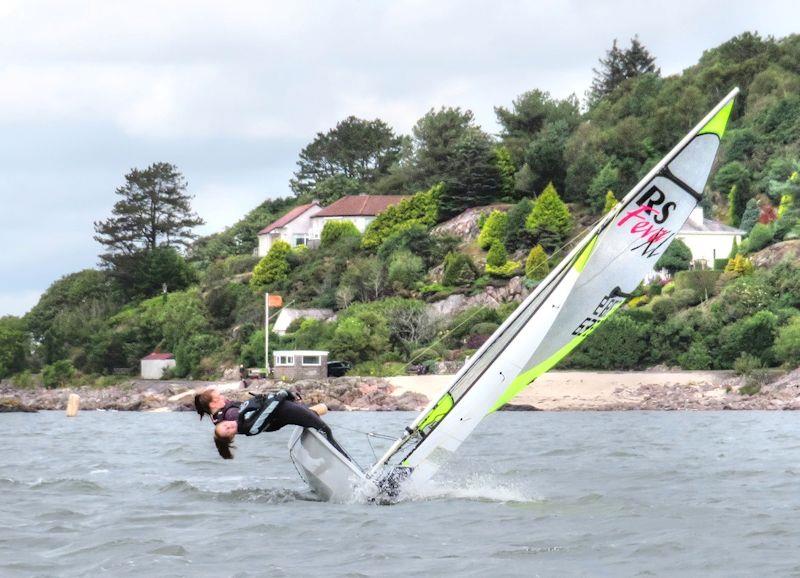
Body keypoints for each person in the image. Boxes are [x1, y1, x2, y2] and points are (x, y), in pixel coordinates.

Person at [200, 389, 349, 460]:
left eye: (225, 425)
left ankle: (322, 460)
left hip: (285, 411)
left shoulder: (230, 418)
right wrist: (280, 395)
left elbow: (261, 408)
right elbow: (265, 413)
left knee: (317, 420)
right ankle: (344, 462)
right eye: (227, 430)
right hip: (285, 411)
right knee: (325, 431)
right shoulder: (238, 420)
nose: (228, 426)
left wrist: (281, 396)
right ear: (231, 435)